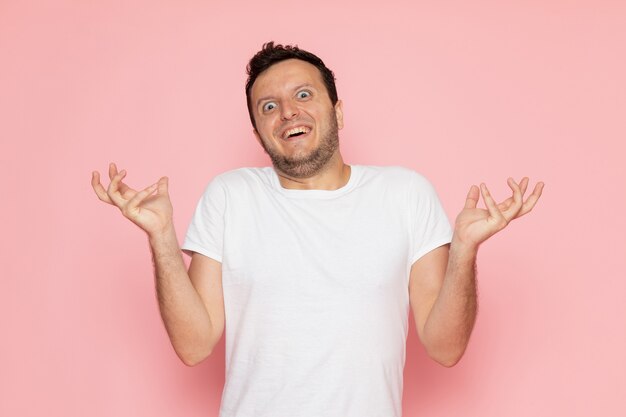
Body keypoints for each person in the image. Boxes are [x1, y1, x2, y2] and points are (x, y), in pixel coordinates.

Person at [91, 42, 544, 417]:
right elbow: (193, 345)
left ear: (338, 112)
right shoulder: (230, 196)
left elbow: (445, 348)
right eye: (269, 106)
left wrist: (464, 249)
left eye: (303, 95)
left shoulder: (406, 194)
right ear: (259, 134)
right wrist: (162, 237)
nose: (288, 112)